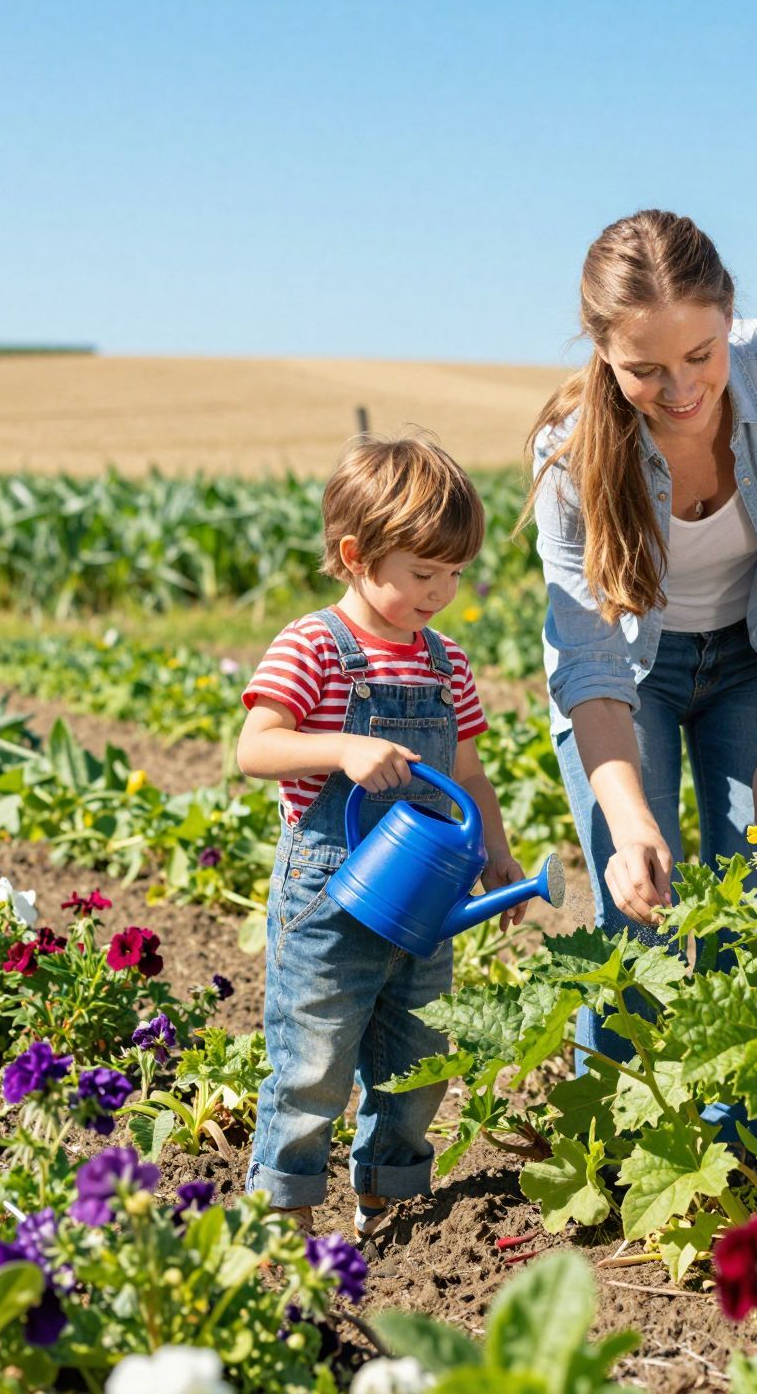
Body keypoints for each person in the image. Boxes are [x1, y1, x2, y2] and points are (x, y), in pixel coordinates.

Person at [523, 208, 757, 1069]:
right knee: (638, 914)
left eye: (700, 357)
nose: (678, 390)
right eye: (644, 369)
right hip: (631, 678)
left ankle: (739, 1149)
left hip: (755, 660)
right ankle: (618, 1155)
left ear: (730, 316)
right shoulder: (569, 458)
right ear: (601, 351)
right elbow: (590, 659)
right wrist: (630, 824)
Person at [238, 434, 529, 1243]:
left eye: (455, 574)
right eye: (423, 573)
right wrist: (338, 747)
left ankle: (391, 1205)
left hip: (426, 902)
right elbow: (254, 746)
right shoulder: (314, 646)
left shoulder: (447, 664)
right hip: (331, 896)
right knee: (313, 1057)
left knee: (417, 1058)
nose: (443, 592)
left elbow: (468, 776)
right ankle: (284, 1216)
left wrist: (496, 855)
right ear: (357, 556)